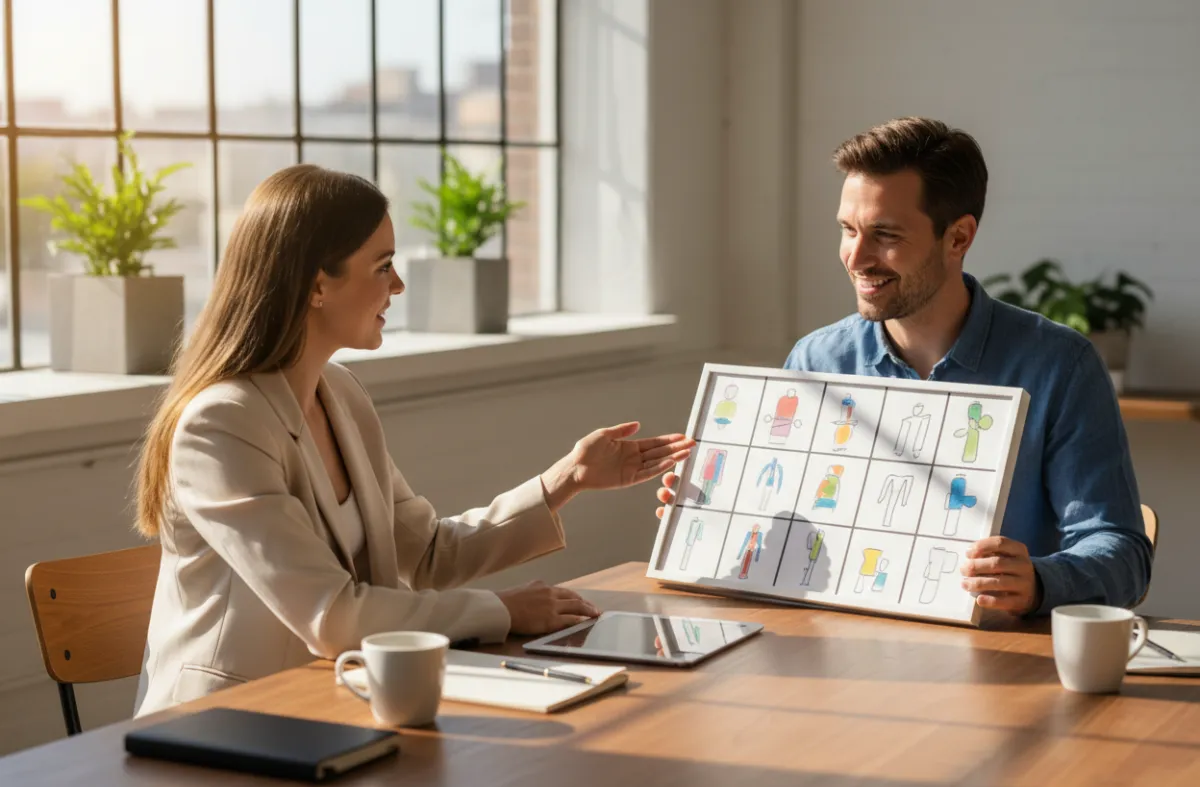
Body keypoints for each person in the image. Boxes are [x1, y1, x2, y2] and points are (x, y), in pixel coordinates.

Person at [132, 165, 695, 716]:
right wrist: (501, 611)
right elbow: (331, 616)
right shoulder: (223, 424)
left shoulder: (341, 394)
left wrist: (565, 481)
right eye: (382, 266)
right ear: (317, 284)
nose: (398, 285)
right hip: (227, 726)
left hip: (330, 708)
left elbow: (427, 554)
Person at [658, 116, 1151, 616]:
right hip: (835, 653)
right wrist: (716, 513)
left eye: (885, 235)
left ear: (958, 238)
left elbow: (1123, 553)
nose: (857, 257)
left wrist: (1040, 582)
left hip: (997, 660)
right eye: (848, 230)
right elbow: (787, 539)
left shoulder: (1059, 366)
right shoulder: (814, 362)